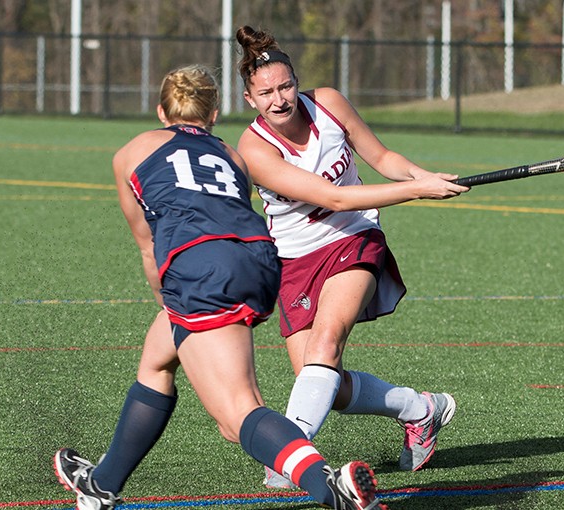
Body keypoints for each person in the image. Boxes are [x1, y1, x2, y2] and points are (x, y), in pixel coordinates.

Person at [52, 65, 387, 510]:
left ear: (161, 112)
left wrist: (172, 298)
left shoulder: (131, 152)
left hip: (200, 270)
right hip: (259, 260)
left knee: (236, 414)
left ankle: (330, 487)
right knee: (156, 362)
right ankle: (102, 485)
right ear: (213, 114)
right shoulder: (232, 155)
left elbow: (150, 249)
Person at [233, 26, 469, 488]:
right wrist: (416, 191)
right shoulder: (254, 148)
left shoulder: (328, 104)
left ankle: (289, 454)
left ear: (297, 82)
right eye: (266, 93)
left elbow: (382, 156)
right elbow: (333, 197)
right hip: (294, 260)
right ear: (250, 99)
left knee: (325, 346)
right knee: (328, 385)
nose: (279, 100)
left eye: (286, 86)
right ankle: (421, 409)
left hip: (354, 237)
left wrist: (421, 175)